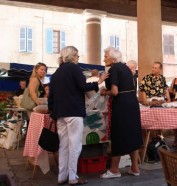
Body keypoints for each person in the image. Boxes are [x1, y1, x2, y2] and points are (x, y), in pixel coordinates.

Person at [48, 46, 108, 185]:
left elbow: (51, 95)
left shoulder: (56, 73)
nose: (78, 58)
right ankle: (72, 177)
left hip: (60, 114)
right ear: (73, 56)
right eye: (77, 55)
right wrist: (98, 82)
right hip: (74, 112)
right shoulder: (74, 68)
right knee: (74, 145)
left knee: (63, 145)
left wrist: (52, 111)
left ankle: (62, 176)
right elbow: (83, 86)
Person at [100, 47, 143, 179]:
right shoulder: (125, 68)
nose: (104, 58)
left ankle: (114, 170)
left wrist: (103, 91)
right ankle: (135, 168)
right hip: (132, 103)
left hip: (122, 104)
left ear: (113, 58)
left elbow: (114, 91)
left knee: (118, 135)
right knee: (132, 134)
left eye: (106, 56)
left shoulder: (113, 69)